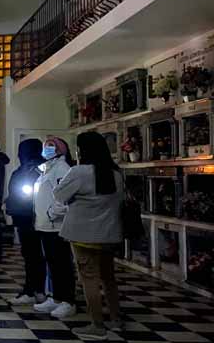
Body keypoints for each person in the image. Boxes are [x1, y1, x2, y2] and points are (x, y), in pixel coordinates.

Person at [54, 131, 125, 341]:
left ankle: (97, 325)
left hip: (83, 234)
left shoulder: (79, 172)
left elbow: (59, 195)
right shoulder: (115, 172)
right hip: (109, 234)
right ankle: (116, 319)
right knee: (109, 278)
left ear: (82, 150)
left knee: (89, 279)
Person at [32, 137, 77, 318]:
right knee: (53, 263)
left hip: (56, 225)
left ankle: (68, 301)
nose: (46, 149)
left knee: (62, 264)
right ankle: (56, 297)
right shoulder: (47, 168)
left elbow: (64, 197)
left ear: (60, 149)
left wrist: (51, 214)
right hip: (44, 224)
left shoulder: (62, 168)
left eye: (51, 146)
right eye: (45, 146)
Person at [6, 138, 47, 305]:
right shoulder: (28, 169)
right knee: (33, 255)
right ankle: (37, 290)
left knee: (33, 256)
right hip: (26, 216)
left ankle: (34, 290)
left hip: (29, 216)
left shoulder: (37, 170)